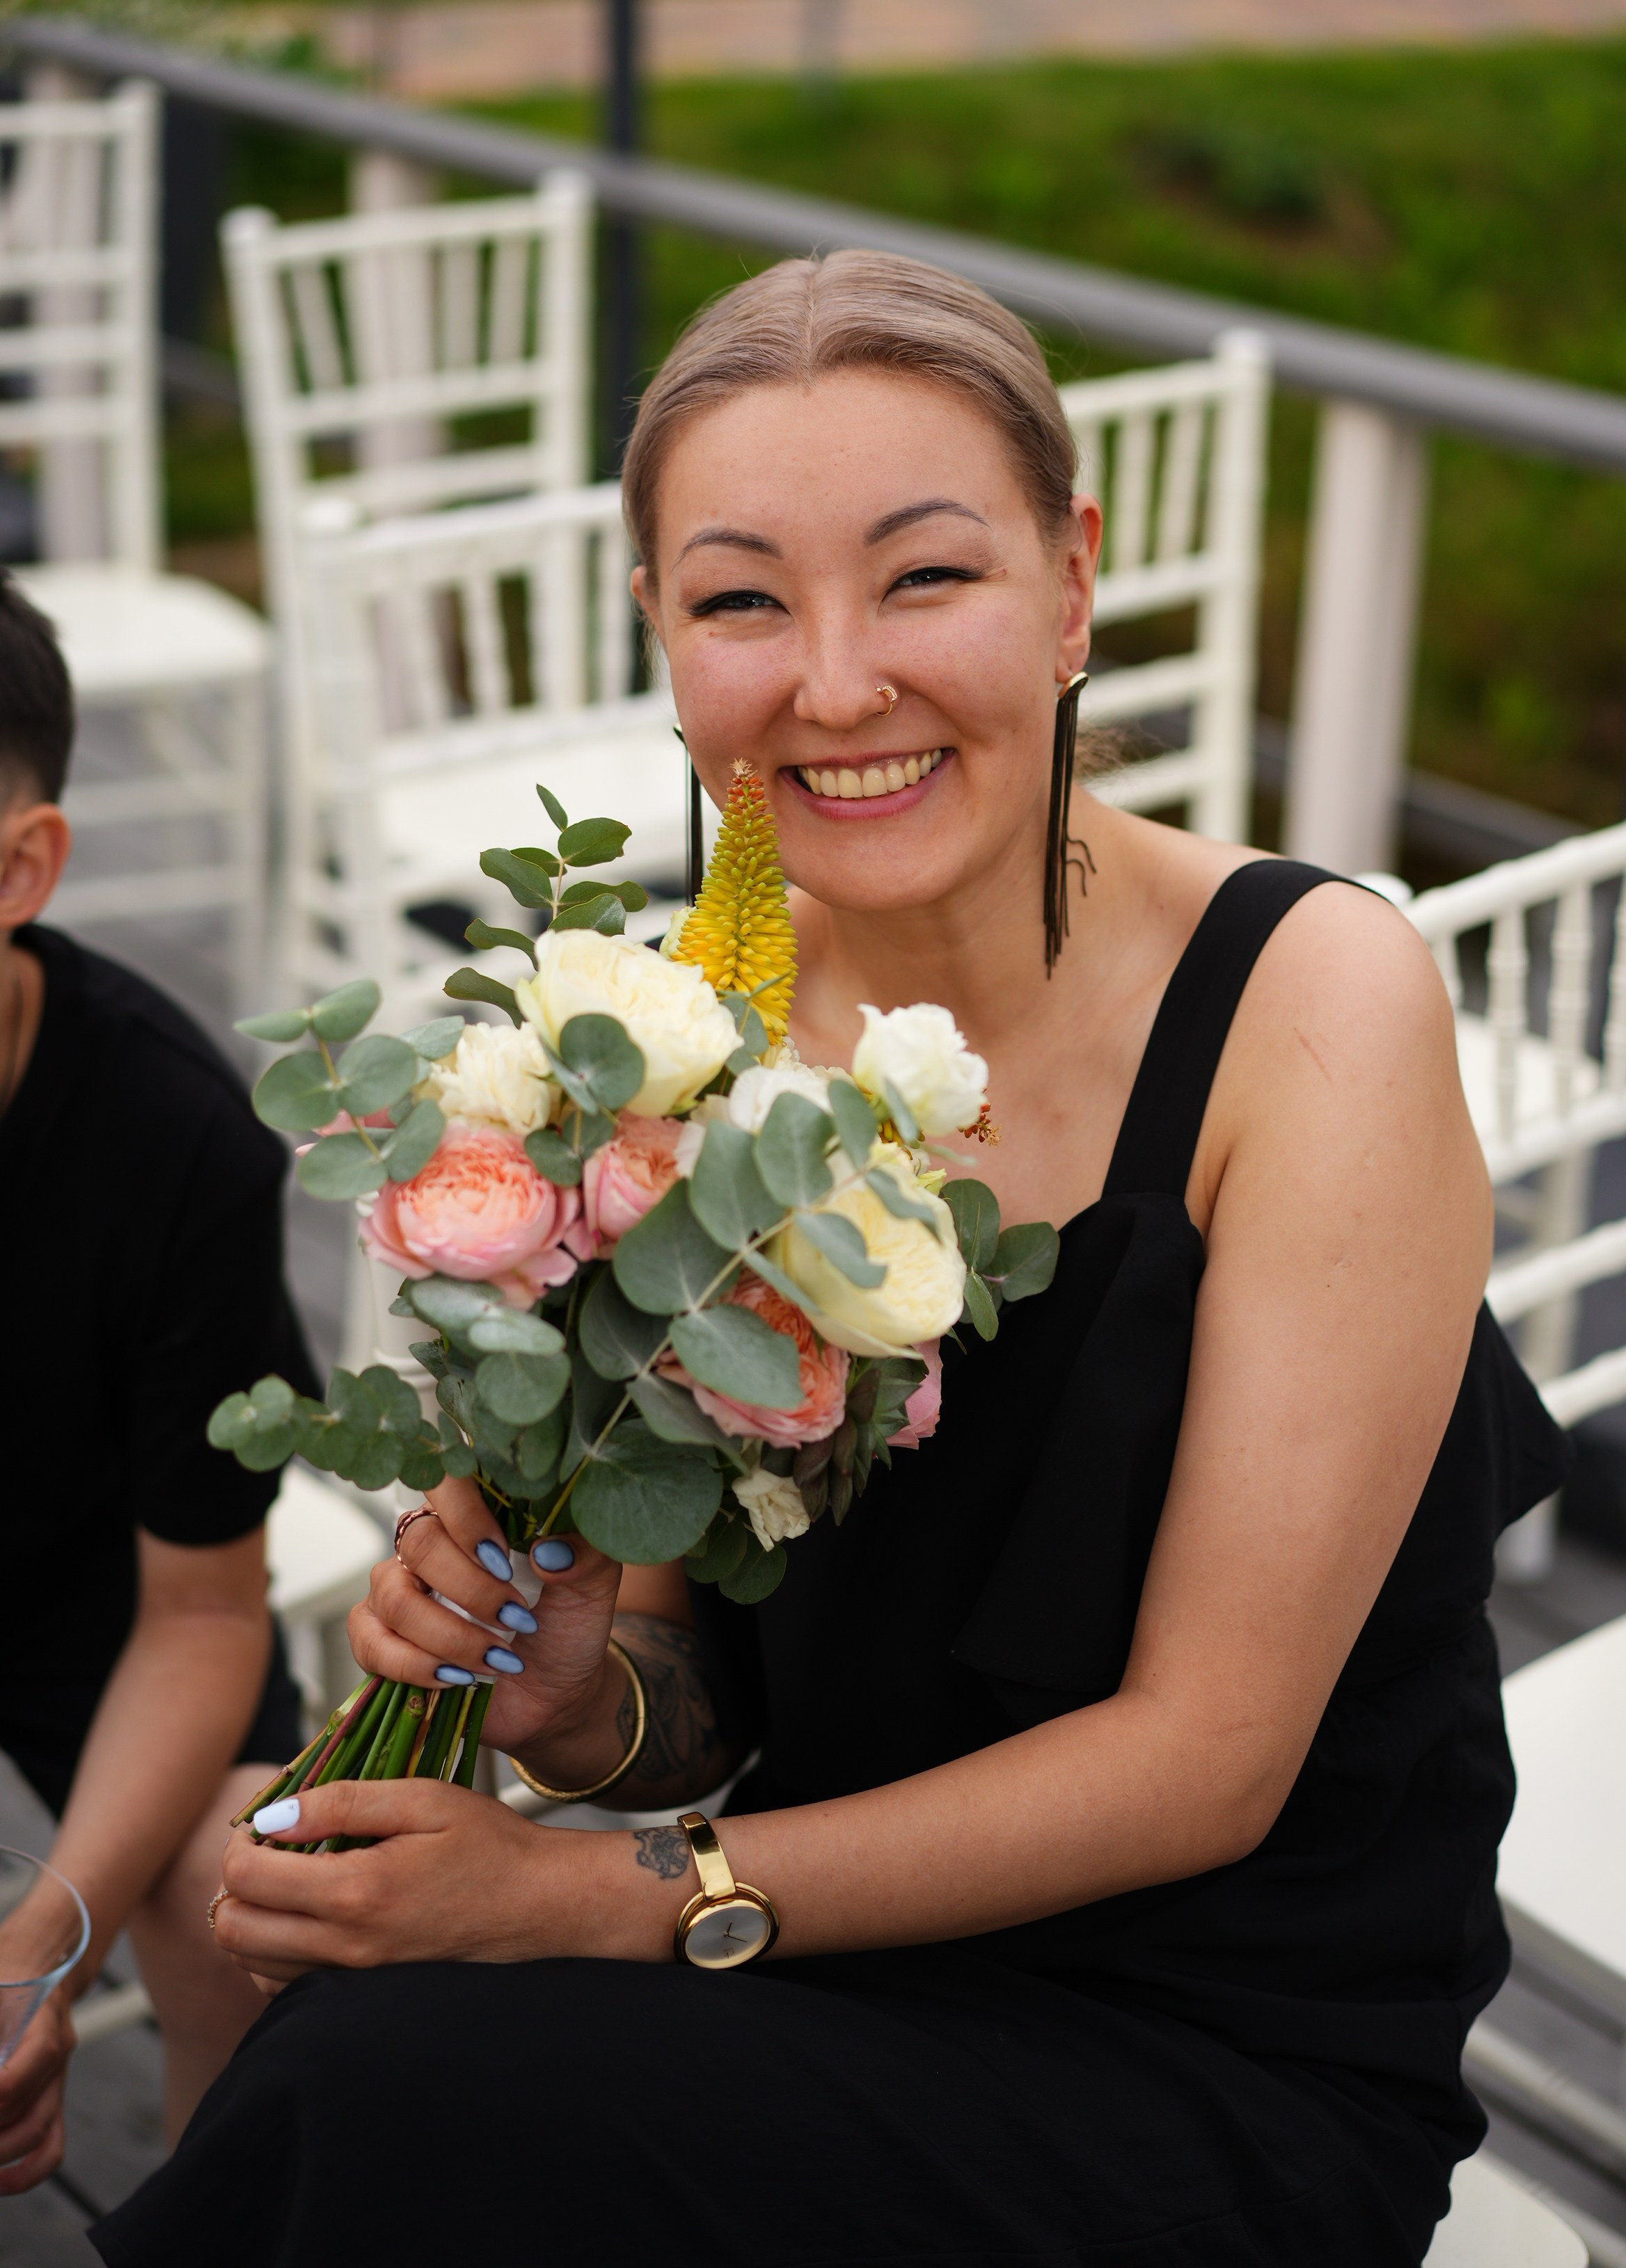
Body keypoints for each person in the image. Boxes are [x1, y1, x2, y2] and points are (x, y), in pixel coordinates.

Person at [93, 253, 1565, 2268]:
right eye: (741, 600)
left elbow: (1207, 1769)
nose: (837, 682)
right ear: (660, 636)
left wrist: (581, 1897)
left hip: (1212, 2037)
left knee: (386, 2093)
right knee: (373, 2055)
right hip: (799, 1934)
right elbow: (693, 1713)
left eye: (925, 578)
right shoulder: (700, 1025)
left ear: (1072, 579)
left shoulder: (1311, 1006)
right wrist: (566, 1699)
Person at [0, 572, 319, 2189]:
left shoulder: (175, 1143)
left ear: (22, 868)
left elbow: (203, 1610)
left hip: (99, 1582)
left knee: (249, 1906)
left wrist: (40, 1944)